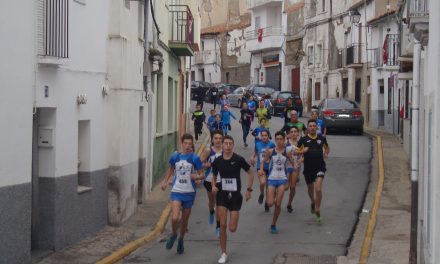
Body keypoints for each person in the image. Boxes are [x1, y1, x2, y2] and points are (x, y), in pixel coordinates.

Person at [211, 135, 255, 264]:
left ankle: (233, 217)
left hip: (235, 197)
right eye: (226, 143)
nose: (228, 146)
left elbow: (251, 173)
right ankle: (223, 253)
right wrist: (213, 185)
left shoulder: (238, 159)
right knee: (223, 225)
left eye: (230, 144)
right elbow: (214, 175)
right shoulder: (217, 161)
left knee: (232, 228)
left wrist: (248, 190)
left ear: (233, 146)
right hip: (222, 195)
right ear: (222, 145)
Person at [161, 134, 204, 254]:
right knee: (175, 218)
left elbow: (202, 174)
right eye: (185, 143)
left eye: (190, 144)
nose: (187, 146)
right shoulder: (175, 156)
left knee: (184, 221)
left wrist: (196, 176)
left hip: (189, 193)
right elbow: (171, 169)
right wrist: (165, 182)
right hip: (177, 191)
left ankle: (181, 239)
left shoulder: (194, 158)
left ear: (192, 145)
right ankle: (174, 234)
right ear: (182, 143)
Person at [259, 131, 294, 233]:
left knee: (278, 204)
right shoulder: (270, 151)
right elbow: (263, 161)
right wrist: (261, 170)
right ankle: (272, 196)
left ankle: (273, 224)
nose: (279, 141)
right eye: (277, 139)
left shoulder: (286, 152)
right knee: (270, 204)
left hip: (282, 179)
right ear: (275, 140)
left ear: (284, 140)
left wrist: (294, 166)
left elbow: (292, 162)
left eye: (281, 139)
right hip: (272, 179)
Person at [297, 119, 330, 224]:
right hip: (308, 168)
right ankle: (312, 201)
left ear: (316, 127)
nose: (312, 127)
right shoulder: (303, 140)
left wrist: (326, 153)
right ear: (307, 128)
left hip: (320, 167)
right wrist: (303, 152)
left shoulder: (321, 138)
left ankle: (317, 208)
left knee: (318, 189)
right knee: (310, 188)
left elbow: (327, 148)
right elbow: (296, 152)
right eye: (310, 126)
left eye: (314, 126)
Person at [200, 130, 223, 238]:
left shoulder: (225, 151)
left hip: (221, 182)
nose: (218, 140)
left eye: (220, 138)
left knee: (219, 205)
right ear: (212, 140)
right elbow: (199, 164)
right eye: (216, 138)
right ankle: (211, 212)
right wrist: (208, 164)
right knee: (211, 202)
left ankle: (218, 226)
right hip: (209, 180)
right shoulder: (209, 151)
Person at [250, 130, 275, 212]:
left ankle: (266, 203)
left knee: (268, 187)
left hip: (270, 167)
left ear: (268, 136)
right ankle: (261, 193)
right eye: (262, 135)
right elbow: (255, 152)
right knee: (262, 182)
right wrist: (252, 157)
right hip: (260, 167)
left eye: (265, 135)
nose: (264, 137)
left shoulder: (271, 144)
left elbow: (275, 154)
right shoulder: (257, 144)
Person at [285, 126, 302, 213]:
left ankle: (289, 203)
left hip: (295, 167)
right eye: (291, 132)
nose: (293, 133)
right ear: (289, 133)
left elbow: (303, 155)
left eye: (295, 131)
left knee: (292, 187)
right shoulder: (286, 143)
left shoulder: (300, 143)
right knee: (286, 187)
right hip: (287, 167)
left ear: (298, 133)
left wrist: (300, 160)